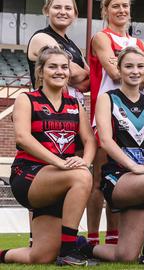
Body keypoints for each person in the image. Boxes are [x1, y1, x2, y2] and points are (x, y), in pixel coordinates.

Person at [1, 46, 96, 265]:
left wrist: (86, 161)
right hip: (29, 177)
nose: (59, 71)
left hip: (59, 180)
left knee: (41, 256)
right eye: (52, 66)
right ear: (41, 71)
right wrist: (61, 164)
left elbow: (90, 140)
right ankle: (70, 250)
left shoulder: (75, 105)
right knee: (80, 176)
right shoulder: (27, 99)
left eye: (64, 67)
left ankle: (4, 255)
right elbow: (23, 138)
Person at [84, 47, 144, 265]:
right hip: (117, 177)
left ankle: (84, 247)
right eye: (129, 66)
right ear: (119, 69)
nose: (135, 71)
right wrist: (135, 167)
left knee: (125, 255)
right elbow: (105, 141)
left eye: (140, 66)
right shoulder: (108, 99)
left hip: (143, 178)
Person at [86, 0, 144, 247]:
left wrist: (124, 66)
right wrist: (133, 70)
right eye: (116, 6)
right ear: (106, 10)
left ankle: (114, 236)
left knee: (124, 175)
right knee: (99, 178)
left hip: (136, 113)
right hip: (106, 110)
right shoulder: (101, 38)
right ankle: (92, 238)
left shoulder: (139, 44)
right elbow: (114, 74)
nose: (122, 10)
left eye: (125, 6)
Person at [27, 0, 89, 103]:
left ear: (75, 14)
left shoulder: (74, 47)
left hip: (75, 108)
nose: (62, 12)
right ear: (46, 11)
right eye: (57, 7)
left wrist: (78, 76)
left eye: (68, 8)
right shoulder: (41, 38)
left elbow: (88, 84)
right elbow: (72, 71)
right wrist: (80, 74)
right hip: (47, 108)